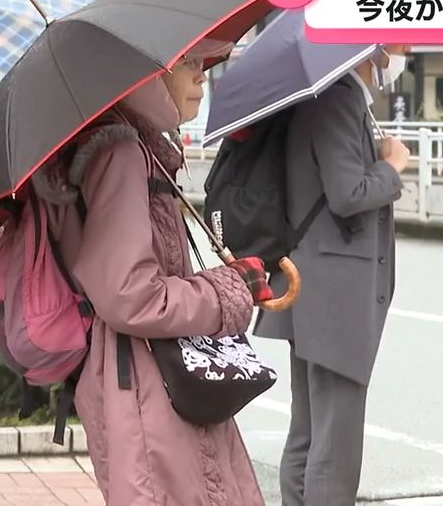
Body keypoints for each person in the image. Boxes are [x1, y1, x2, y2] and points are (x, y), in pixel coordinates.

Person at [30, 38, 272, 506]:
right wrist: (225, 292)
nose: (202, 74)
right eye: (187, 61)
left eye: (202, 61)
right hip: (146, 381)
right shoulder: (120, 155)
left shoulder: (137, 148)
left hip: (155, 373)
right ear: (148, 74)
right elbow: (129, 295)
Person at [254, 45, 412, 506]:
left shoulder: (330, 97)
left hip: (313, 284)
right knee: (334, 447)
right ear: (373, 51)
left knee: (308, 434)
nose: (403, 54)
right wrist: (391, 166)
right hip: (333, 293)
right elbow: (348, 194)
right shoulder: (340, 98)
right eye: (398, 45)